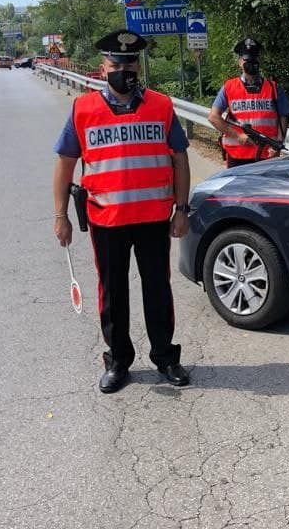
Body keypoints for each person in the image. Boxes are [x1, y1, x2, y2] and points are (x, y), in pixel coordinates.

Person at [52, 30, 191, 393]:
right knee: (113, 293)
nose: (123, 70)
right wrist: (60, 215)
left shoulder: (161, 106)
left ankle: (165, 357)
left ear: (138, 66)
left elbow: (180, 159)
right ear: (102, 68)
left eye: (129, 63)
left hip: (153, 218)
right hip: (106, 220)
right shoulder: (83, 110)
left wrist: (182, 209)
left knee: (157, 289)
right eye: (116, 64)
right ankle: (118, 361)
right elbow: (66, 164)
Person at [208, 37, 289, 168]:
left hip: (267, 155)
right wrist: (237, 136)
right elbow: (213, 117)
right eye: (247, 59)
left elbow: (284, 116)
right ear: (240, 62)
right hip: (236, 156)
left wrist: (278, 144)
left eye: (254, 59)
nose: (251, 63)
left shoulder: (273, 88)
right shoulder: (229, 87)